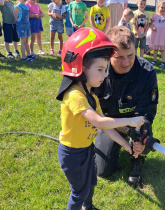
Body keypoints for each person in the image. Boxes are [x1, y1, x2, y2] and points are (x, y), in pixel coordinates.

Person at [56, 27, 145, 210]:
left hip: (87, 149)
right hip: (72, 155)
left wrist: (127, 146)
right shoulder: (74, 95)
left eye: (105, 69)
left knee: (91, 184)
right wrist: (129, 121)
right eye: (100, 69)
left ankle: (87, 208)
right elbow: (98, 122)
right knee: (79, 191)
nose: (105, 75)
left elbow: (106, 126)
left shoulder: (91, 96)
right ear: (80, 68)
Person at [93, 26, 159, 188]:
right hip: (107, 123)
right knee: (102, 171)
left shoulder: (146, 72)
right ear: (109, 55)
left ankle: (137, 159)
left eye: (130, 55)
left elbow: (147, 110)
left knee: (143, 130)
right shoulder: (97, 70)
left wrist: (139, 136)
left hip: (134, 123)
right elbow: (90, 107)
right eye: (119, 57)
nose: (126, 62)